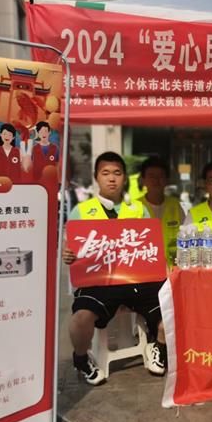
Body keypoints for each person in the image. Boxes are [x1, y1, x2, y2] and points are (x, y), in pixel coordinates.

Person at [63, 151, 167, 384]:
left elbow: (151, 246)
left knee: (170, 312)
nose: (111, 178)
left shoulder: (139, 210)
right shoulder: (81, 211)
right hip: (98, 283)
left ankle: (158, 347)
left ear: (125, 177)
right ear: (96, 177)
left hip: (138, 281)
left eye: (117, 173)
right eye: (105, 173)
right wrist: (68, 255)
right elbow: (70, 248)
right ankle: (81, 359)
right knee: (80, 319)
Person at [137, 157, 185, 266]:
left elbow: (185, 237)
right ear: (143, 180)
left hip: (173, 268)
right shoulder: (134, 207)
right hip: (145, 269)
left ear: (167, 180)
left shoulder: (176, 206)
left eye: (160, 176)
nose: (156, 180)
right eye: (151, 176)